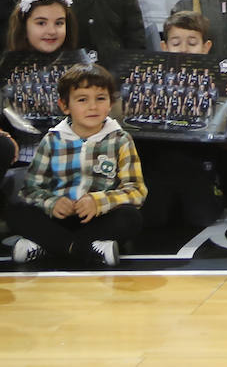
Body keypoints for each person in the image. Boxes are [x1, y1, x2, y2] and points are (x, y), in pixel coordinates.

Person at [8, 62, 144, 268]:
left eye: (100, 99)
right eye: (82, 100)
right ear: (65, 105)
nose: (93, 106)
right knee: (17, 210)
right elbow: (30, 189)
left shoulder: (120, 139)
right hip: (58, 217)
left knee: (131, 217)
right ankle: (84, 248)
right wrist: (52, 202)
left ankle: (50, 245)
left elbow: (136, 191)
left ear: (110, 103)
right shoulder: (53, 140)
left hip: (99, 218)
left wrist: (98, 201)